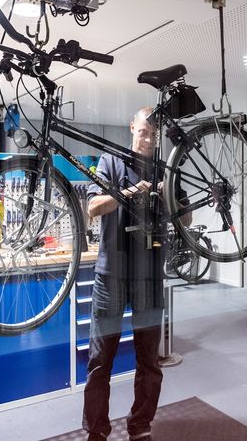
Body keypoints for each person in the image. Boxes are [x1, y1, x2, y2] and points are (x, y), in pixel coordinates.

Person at [83, 107, 189, 441]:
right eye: (143, 132)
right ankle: (97, 431)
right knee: (101, 360)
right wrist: (128, 192)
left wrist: (168, 197)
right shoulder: (109, 161)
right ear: (132, 127)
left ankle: (140, 425)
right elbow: (92, 207)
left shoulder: (166, 169)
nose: (148, 140)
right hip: (110, 275)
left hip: (149, 277)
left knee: (149, 361)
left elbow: (185, 219)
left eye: (154, 135)